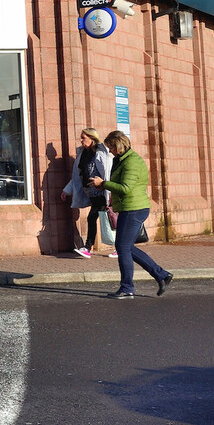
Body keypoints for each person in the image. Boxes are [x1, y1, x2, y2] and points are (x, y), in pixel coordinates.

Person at [90, 130, 172, 300]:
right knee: (126, 247)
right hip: (129, 208)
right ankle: (161, 274)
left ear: (119, 145)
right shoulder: (122, 160)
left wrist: (104, 183)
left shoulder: (132, 162)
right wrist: (103, 185)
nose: (110, 150)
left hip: (134, 209)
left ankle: (127, 288)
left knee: (122, 248)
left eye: (111, 147)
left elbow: (126, 187)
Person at [63, 128, 112, 258]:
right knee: (104, 218)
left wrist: (106, 186)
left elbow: (106, 171)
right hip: (90, 193)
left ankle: (88, 247)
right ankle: (120, 246)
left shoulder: (100, 152)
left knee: (98, 218)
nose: (81, 140)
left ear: (92, 139)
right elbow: (77, 175)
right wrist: (67, 190)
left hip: (101, 192)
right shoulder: (82, 153)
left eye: (84, 137)